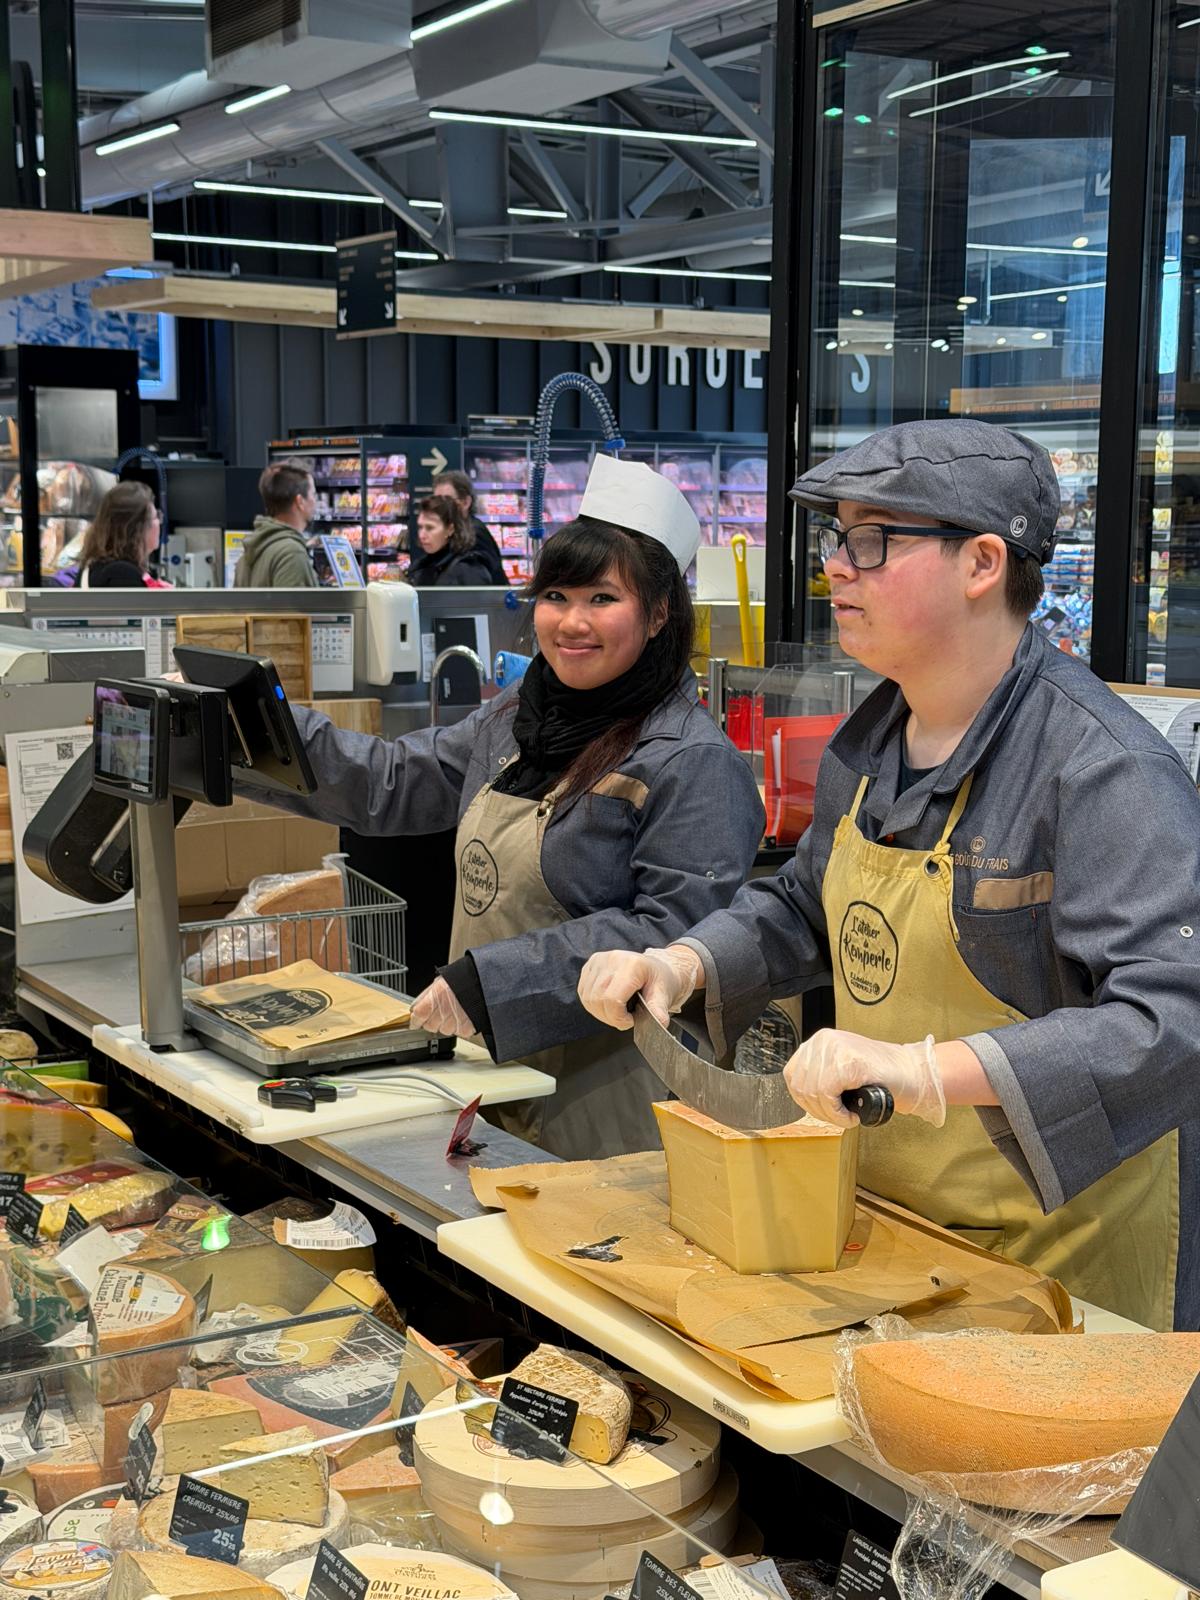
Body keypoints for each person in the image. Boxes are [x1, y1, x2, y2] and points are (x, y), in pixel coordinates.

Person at [579, 417, 1200, 1332]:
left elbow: (1170, 1019)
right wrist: (685, 963)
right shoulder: (870, 740)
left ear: (983, 563)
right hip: (896, 1228)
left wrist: (928, 1070)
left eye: (873, 542)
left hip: (1058, 1258)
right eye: (839, 540)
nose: (836, 566)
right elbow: (803, 905)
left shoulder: (1105, 770)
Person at [241, 454, 763, 1158]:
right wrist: (254, 727)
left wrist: (491, 983)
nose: (572, 622)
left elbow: (668, 932)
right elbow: (389, 781)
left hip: (607, 1106)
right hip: (491, 1077)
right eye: (557, 596)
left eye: (602, 600)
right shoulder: (515, 719)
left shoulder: (692, 762)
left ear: (660, 612)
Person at [235, 459, 318, 588]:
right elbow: (294, 607)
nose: (315, 500)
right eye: (313, 494)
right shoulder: (291, 554)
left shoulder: (252, 549)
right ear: (300, 501)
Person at [73, 481, 171, 589]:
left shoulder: (96, 566)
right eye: (156, 517)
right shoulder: (122, 575)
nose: (160, 522)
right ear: (137, 529)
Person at [433, 468, 507, 585]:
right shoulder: (454, 530)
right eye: (436, 500)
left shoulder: (474, 534)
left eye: (446, 500)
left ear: (466, 502)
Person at [406, 495, 495, 587]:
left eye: (430, 528)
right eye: (420, 527)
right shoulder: (421, 566)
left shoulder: (469, 570)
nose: (422, 535)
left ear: (450, 529)